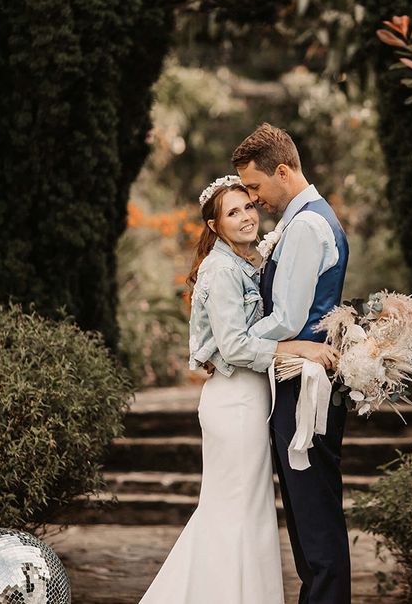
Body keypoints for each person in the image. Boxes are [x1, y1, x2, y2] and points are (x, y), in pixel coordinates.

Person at [138, 175, 336, 604]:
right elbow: (234, 346)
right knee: (234, 514)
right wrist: (297, 346)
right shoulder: (222, 269)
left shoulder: (246, 263)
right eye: (233, 212)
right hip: (235, 402)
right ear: (214, 226)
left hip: (249, 399)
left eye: (248, 206)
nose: (247, 216)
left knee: (245, 513)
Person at [232, 123, 351, 604]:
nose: (253, 198)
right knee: (309, 519)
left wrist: (234, 340)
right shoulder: (308, 219)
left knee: (315, 522)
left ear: (283, 171)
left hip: (305, 389)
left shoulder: (305, 226)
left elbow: (288, 318)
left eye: (256, 187)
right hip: (304, 382)